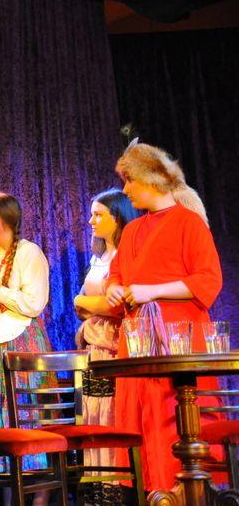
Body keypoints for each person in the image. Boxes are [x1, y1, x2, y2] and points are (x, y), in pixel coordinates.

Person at [105, 143, 224, 491]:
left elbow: (208, 280)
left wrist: (151, 291)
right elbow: (117, 274)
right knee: (142, 421)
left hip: (177, 338)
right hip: (139, 340)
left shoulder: (189, 223)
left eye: (130, 180)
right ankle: (151, 492)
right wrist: (114, 288)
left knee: (173, 418)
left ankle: (185, 493)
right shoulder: (132, 230)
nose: (126, 189)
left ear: (151, 179)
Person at [0, 192, 53, 505]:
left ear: (6, 219)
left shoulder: (29, 253)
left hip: (21, 344)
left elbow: (33, 303)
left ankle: (40, 492)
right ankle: (5, 494)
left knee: (26, 414)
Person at [73, 188, 140, 493]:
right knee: (94, 414)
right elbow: (85, 305)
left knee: (112, 414)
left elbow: (116, 306)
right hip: (94, 346)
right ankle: (98, 485)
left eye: (98, 215)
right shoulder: (99, 256)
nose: (91, 221)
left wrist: (83, 301)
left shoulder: (126, 254)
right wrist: (85, 304)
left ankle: (117, 485)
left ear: (118, 217)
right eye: (92, 214)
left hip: (114, 346)